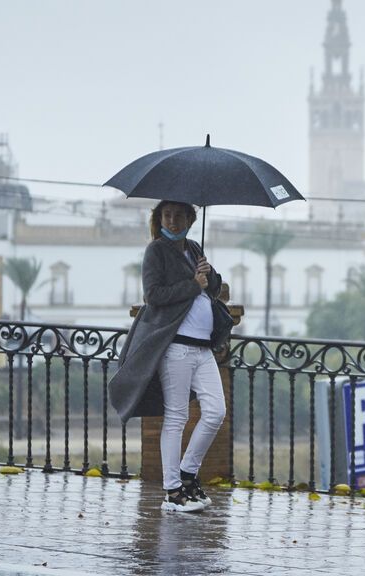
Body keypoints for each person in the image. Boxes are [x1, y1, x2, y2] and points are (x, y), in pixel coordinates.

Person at [109, 200, 225, 513]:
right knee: (176, 417)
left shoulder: (194, 247)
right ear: (159, 218)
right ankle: (173, 491)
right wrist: (192, 284)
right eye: (167, 215)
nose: (172, 220)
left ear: (191, 217)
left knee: (216, 411)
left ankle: (188, 472)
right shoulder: (156, 251)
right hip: (175, 347)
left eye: (178, 215)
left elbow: (212, 289)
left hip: (202, 347)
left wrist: (209, 274)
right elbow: (154, 296)